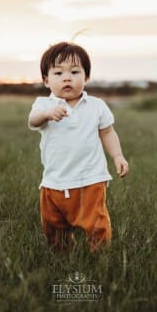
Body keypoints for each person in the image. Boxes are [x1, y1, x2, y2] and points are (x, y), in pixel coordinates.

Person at [28, 41, 129, 252]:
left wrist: (117, 156)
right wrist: (47, 114)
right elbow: (33, 121)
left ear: (86, 77)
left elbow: (107, 132)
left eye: (75, 71)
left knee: (96, 224)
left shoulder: (96, 105)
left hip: (90, 180)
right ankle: (62, 259)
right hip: (54, 181)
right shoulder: (44, 105)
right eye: (58, 73)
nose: (67, 78)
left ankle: (100, 257)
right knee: (54, 228)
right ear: (46, 80)